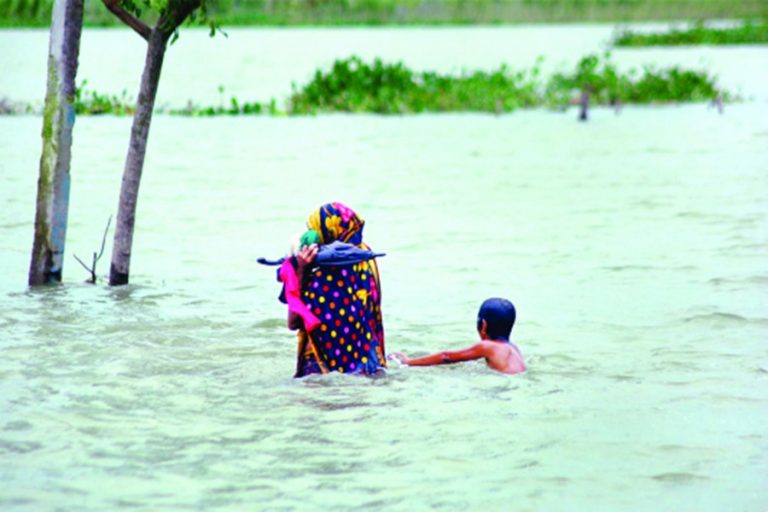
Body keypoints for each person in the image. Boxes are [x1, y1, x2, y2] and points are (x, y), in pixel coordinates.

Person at [284, 202, 386, 377]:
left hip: (322, 369)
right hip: (364, 363)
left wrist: (300, 271)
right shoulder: (366, 259)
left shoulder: (323, 276)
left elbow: (294, 322)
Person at [389, 298, 526, 375]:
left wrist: (408, 362)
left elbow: (446, 357)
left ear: (483, 325)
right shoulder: (513, 348)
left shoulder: (488, 346)